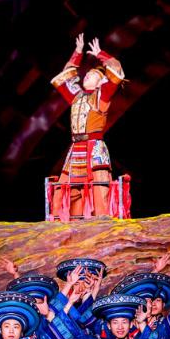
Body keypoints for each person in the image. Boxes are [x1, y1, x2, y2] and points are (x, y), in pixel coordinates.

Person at [49, 34, 125, 221]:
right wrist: (77, 53)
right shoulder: (77, 96)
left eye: (92, 75)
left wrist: (100, 54)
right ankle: (61, 222)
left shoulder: (102, 96)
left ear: (101, 82)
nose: (87, 75)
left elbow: (116, 71)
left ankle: (102, 224)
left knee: (99, 189)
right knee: (65, 189)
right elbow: (66, 77)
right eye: (87, 73)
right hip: (76, 149)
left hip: (94, 148)